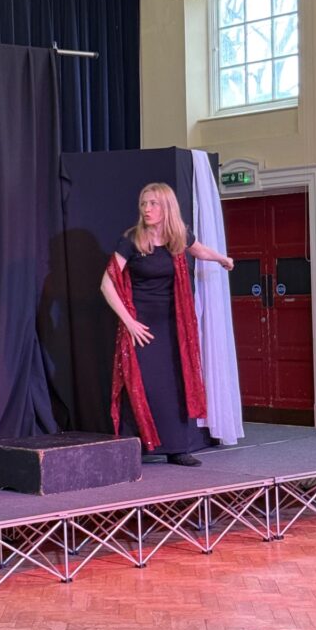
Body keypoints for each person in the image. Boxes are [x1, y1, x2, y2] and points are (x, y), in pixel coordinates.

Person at [100, 182, 233, 466]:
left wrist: (222, 259)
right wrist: (130, 322)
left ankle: (177, 448)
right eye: (143, 204)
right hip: (142, 326)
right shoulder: (131, 239)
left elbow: (199, 251)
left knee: (174, 385)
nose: (146, 209)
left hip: (174, 325)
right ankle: (135, 447)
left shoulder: (179, 237)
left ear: (167, 207)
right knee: (142, 384)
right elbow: (107, 283)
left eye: (153, 204)